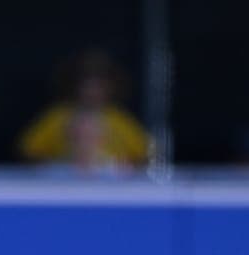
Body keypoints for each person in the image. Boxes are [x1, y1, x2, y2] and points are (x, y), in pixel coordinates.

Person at [17, 49, 150, 170]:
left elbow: (144, 156)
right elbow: (29, 153)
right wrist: (54, 168)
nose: (91, 91)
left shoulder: (120, 120)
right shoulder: (57, 117)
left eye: (99, 86)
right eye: (86, 85)